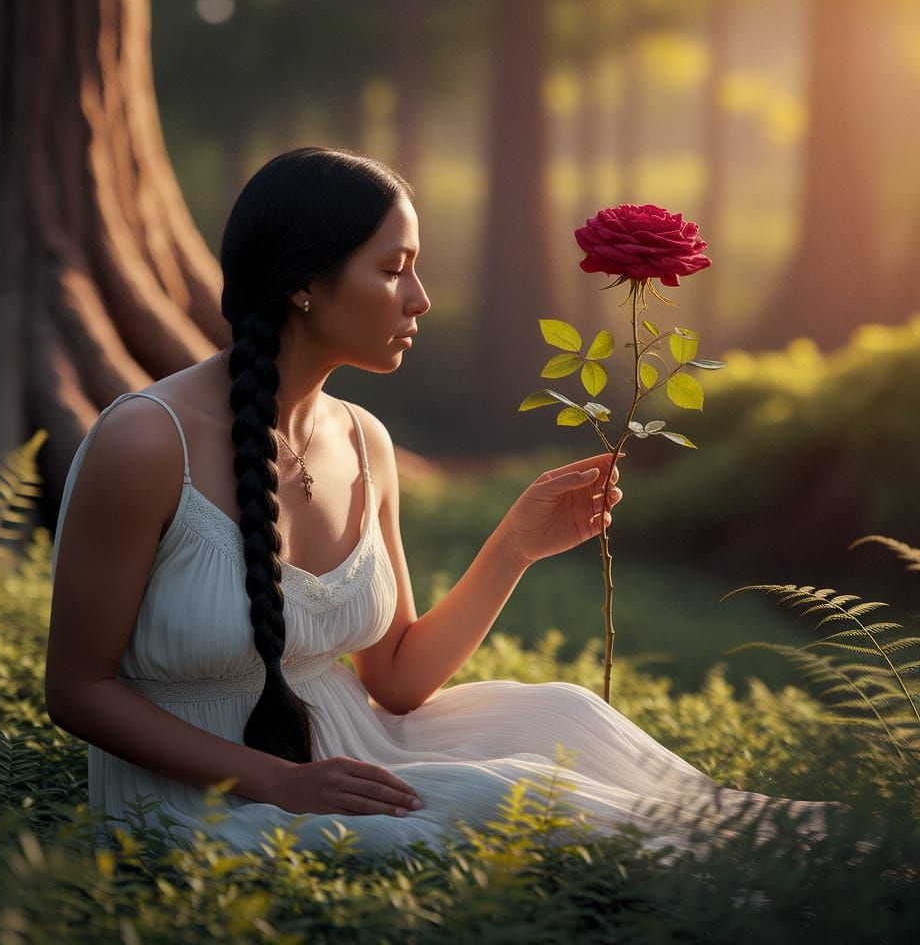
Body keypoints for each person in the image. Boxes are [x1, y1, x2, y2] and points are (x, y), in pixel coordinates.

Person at [46, 146, 843, 864]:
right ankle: (774, 882)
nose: (421, 298)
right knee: (505, 799)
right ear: (304, 283)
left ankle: (826, 850)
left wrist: (513, 548)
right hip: (202, 796)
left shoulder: (364, 441)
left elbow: (394, 680)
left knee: (561, 716)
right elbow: (78, 690)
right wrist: (279, 783)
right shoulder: (148, 444)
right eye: (394, 269)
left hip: (351, 753)